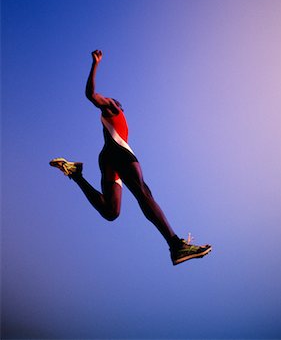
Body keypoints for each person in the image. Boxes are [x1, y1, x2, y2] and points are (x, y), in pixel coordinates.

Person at [50, 50, 212, 265]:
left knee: (111, 211)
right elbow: (91, 95)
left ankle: (76, 174)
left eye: (116, 103)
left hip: (110, 157)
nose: (115, 103)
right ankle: (176, 246)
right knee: (143, 192)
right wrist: (95, 64)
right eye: (113, 102)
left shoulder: (117, 120)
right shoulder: (113, 109)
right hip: (118, 151)